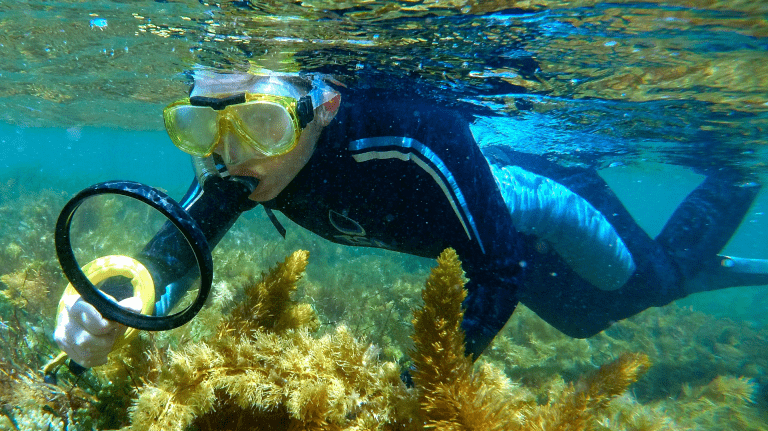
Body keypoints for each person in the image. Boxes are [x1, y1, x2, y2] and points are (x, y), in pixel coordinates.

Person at [54, 68, 768, 369]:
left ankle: (737, 170)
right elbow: (182, 239)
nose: (228, 156)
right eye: (201, 127)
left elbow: (497, 268)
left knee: (649, 285)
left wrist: (416, 388)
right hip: (493, 242)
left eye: (263, 123)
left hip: (540, 209)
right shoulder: (240, 162)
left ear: (324, 104)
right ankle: (705, 267)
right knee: (580, 318)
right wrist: (123, 294)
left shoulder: (409, 136)